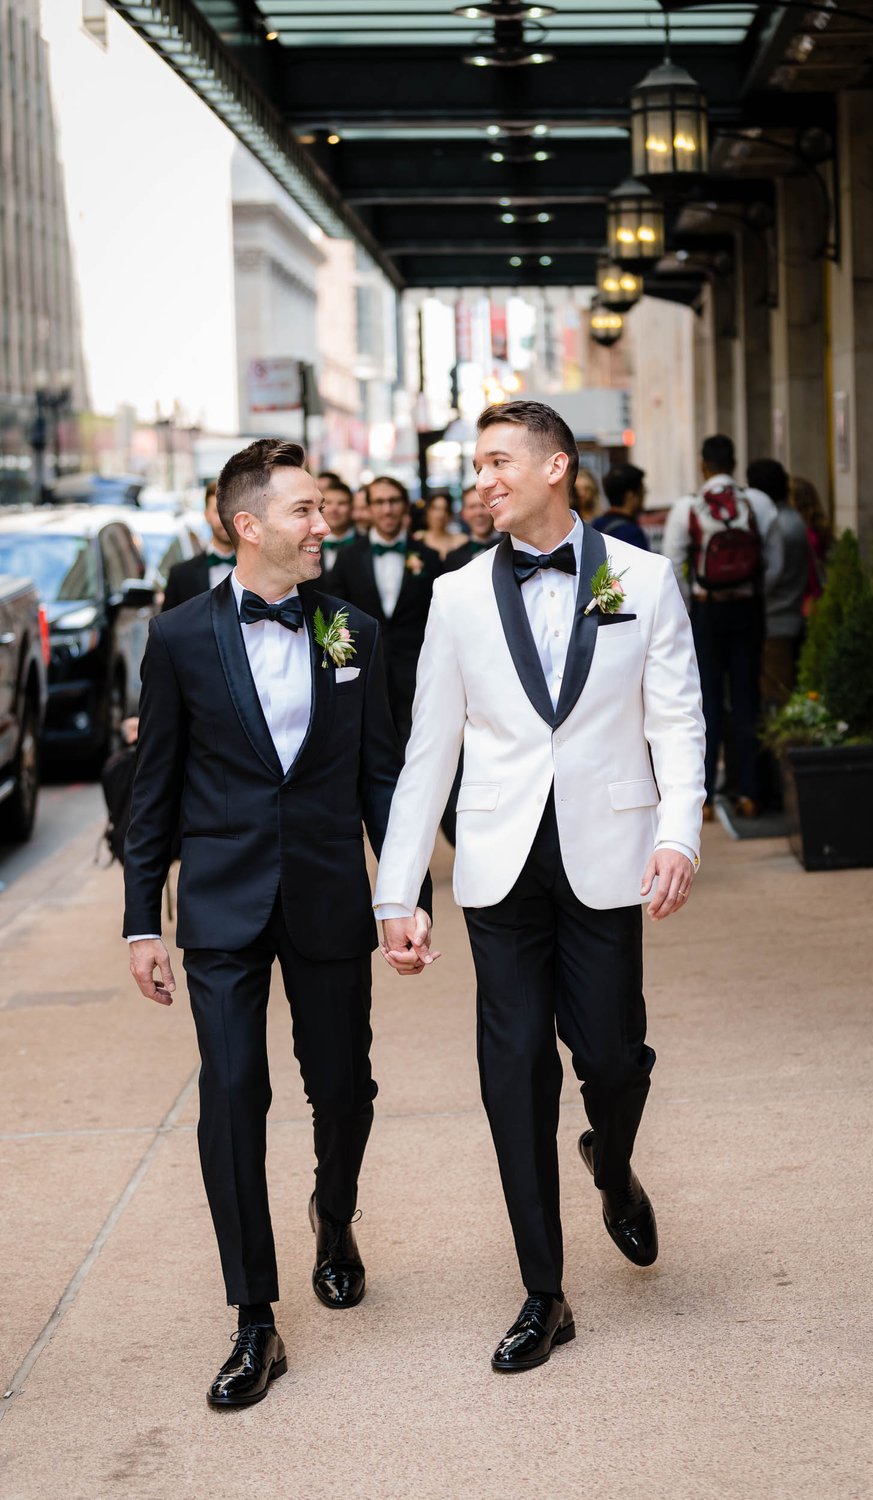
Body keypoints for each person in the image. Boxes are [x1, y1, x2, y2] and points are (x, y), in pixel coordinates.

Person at [373, 400, 705, 1373]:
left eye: (497, 461)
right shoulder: (457, 595)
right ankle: (543, 1293)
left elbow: (677, 718)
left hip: (608, 851)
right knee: (513, 1070)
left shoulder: (642, 579)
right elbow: (427, 752)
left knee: (609, 1054)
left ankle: (611, 1159)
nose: (481, 478)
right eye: (476, 464)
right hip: (499, 865)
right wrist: (398, 892)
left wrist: (678, 833)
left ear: (556, 466)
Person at [123, 438, 431, 1410]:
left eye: (322, 507)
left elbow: (378, 770)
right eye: (303, 509)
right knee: (232, 1096)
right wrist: (142, 919)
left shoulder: (352, 631)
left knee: (343, 1086)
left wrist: (400, 892)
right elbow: (154, 786)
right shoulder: (177, 638)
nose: (322, 522)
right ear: (245, 524)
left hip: (331, 895)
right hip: (220, 902)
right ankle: (254, 1316)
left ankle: (333, 1218)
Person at [661, 434, 783, 820]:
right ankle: (750, 793)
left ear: (703, 465)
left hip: (707, 612)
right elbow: (775, 564)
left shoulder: (687, 507)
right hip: (748, 609)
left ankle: (707, 798)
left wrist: (694, 600)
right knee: (747, 698)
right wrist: (752, 590)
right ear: (734, 461)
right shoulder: (758, 503)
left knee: (705, 702)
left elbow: (672, 565)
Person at [329, 476, 439, 746]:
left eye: (393, 501)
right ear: (367, 508)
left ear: (405, 506)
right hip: (365, 668)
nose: (387, 509)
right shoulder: (348, 557)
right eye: (379, 502)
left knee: (419, 740)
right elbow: (336, 616)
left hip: (417, 669)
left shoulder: (430, 556)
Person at [746, 458, 809, 706]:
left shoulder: (777, 525)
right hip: (787, 617)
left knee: (777, 697)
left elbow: (772, 574)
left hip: (777, 621)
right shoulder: (791, 519)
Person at [162, 480, 234, 609]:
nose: (225, 517)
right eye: (218, 511)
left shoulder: (260, 571)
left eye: (231, 509)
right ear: (206, 515)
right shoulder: (180, 575)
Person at [790, 474, 832, 617]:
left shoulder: (804, 535)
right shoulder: (817, 530)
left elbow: (811, 576)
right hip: (815, 601)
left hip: (807, 604)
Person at [593, 463, 651, 551]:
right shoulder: (632, 534)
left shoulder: (595, 526)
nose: (644, 496)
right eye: (643, 492)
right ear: (630, 496)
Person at [443, 483, 499, 572]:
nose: (478, 513)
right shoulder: (453, 559)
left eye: (483, 505)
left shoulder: (514, 549)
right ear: (463, 514)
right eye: (472, 507)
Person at [316, 473, 358, 577]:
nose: (334, 509)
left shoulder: (367, 545)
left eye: (342, 503)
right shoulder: (306, 543)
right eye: (329, 503)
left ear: (352, 508)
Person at [412, 491, 466, 564]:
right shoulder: (418, 540)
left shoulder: (462, 540)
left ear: (449, 514)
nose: (441, 514)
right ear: (427, 512)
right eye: (436, 509)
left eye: (445, 509)